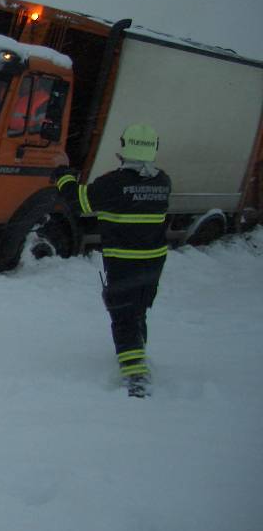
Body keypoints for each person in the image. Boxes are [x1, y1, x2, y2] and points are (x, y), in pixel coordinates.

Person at [52, 124, 171, 397]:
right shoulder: (162, 182)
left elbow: (78, 202)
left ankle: (136, 379)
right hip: (153, 264)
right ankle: (138, 356)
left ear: (123, 148)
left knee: (123, 317)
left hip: (124, 262)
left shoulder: (113, 184)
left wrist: (62, 171)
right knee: (137, 310)